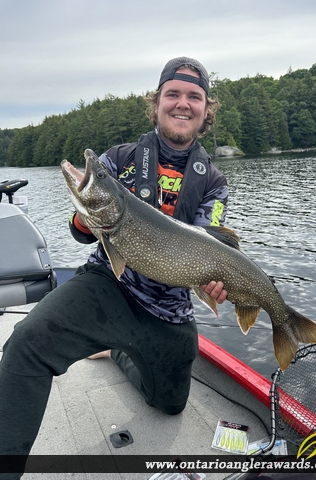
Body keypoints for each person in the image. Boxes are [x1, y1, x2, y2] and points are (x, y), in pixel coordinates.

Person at [0, 57, 228, 478]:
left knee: (171, 404)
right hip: (107, 287)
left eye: (193, 97)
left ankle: (120, 352)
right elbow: (81, 232)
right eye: (172, 94)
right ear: (156, 103)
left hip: (168, 310)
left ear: (205, 110)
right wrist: (83, 219)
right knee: (25, 345)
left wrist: (213, 284)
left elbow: (209, 244)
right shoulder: (118, 159)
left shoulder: (212, 181)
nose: (182, 104)